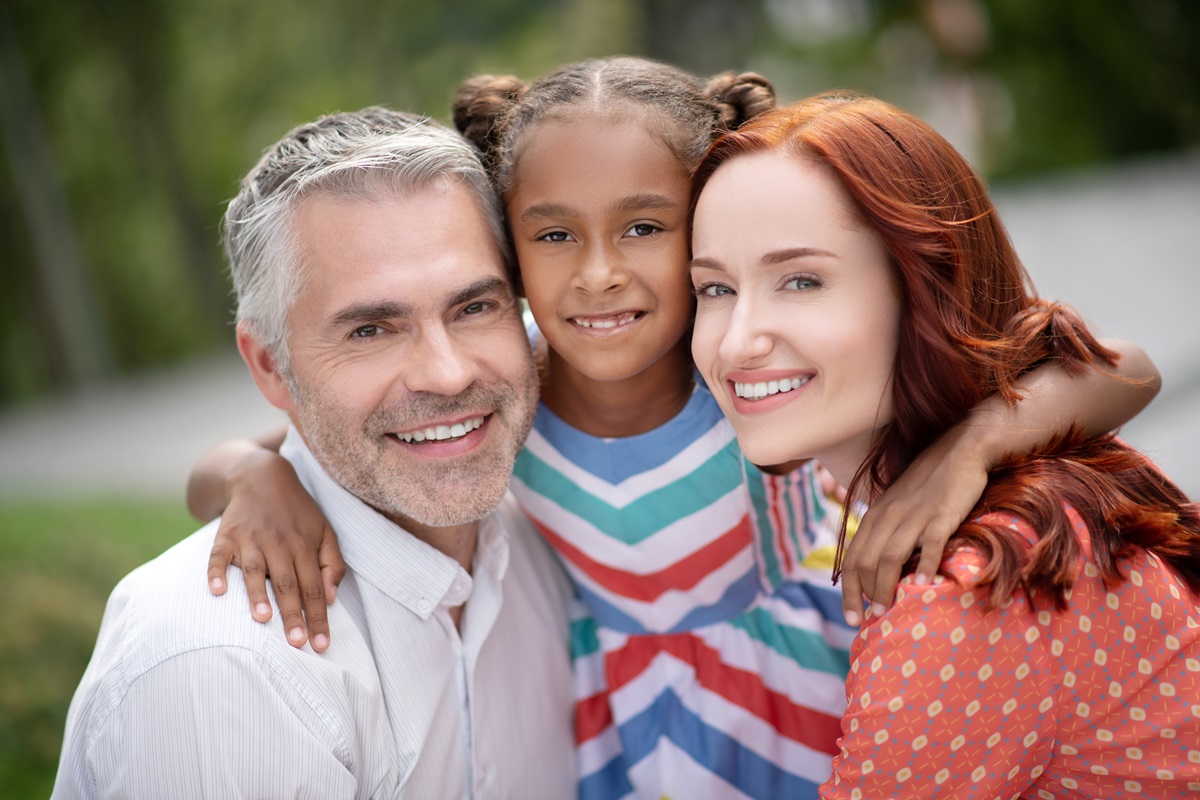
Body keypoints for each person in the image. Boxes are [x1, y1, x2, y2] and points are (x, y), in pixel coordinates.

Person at [188, 59, 1161, 799]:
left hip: (791, 689)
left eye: (647, 228)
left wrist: (969, 448)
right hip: (607, 708)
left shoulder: (743, 366)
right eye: (555, 233)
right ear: (508, 244)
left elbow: (1128, 367)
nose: (599, 271)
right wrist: (248, 474)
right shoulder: (506, 371)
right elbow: (257, 450)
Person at [688, 92, 1200, 798]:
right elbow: (1123, 366)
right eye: (713, 288)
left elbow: (1126, 363)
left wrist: (974, 443)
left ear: (924, 288)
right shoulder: (1036, 471)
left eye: (801, 280)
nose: (738, 340)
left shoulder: (968, 594)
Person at [52, 107, 575, 799]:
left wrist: (242, 462)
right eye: (370, 330)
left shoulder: (558, 533)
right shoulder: (223, 667)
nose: (448, 375)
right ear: (270, 366)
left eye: (475, 307)